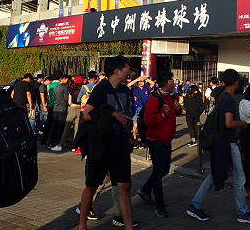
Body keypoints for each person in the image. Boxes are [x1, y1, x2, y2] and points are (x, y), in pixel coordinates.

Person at [186, 69, 250, 224]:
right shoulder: (229, 100)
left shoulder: (221, 97)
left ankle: (195, 204)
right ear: (236, 83)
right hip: (228, 141)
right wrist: (241, 123)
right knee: (239, 178)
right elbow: (229, 123)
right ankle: (242, 212)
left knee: (214, 174)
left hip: (219, 141)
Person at [77, 56, 135, 230]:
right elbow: (87, 114)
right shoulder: (100, 89)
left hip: (120, 143)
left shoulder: (125, 90)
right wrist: (112, 114)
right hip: (101, 144)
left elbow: (127, 112)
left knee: (124, 186)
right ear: (117, 70)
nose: (129, 73)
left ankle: (129, 227)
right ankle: (81, 225)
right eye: (127, 70)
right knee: (92, 186)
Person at [137, 71, 182, 218]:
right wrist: (163, 114)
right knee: (158, 171)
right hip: (155, 140)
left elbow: (178, 113)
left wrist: (177, 108)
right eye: (171, 81)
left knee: (163, 170)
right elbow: (148, 121)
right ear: (165, 84)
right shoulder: (154, 100)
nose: (174, 83)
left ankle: (144, 190)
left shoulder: (172, 96)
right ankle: (160, 204)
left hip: (166, 140)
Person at [59, 76, 83, 149]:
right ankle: (76, 146)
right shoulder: (83, 90)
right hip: (80, 109)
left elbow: (69, 102)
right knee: (77, 129)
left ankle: (60, 144)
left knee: (66, 127)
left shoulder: (71, 90)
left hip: (72, 108)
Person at [49, 74, 70, 151]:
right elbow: (66, 98)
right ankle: (59, 141)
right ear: (64, 79)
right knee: (61, 126)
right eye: (67, 79)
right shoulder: (65, 87)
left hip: (55, 108)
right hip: (62, 108)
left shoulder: (56, 87)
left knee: (54, 125)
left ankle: (51, 141)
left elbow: (53, 97)